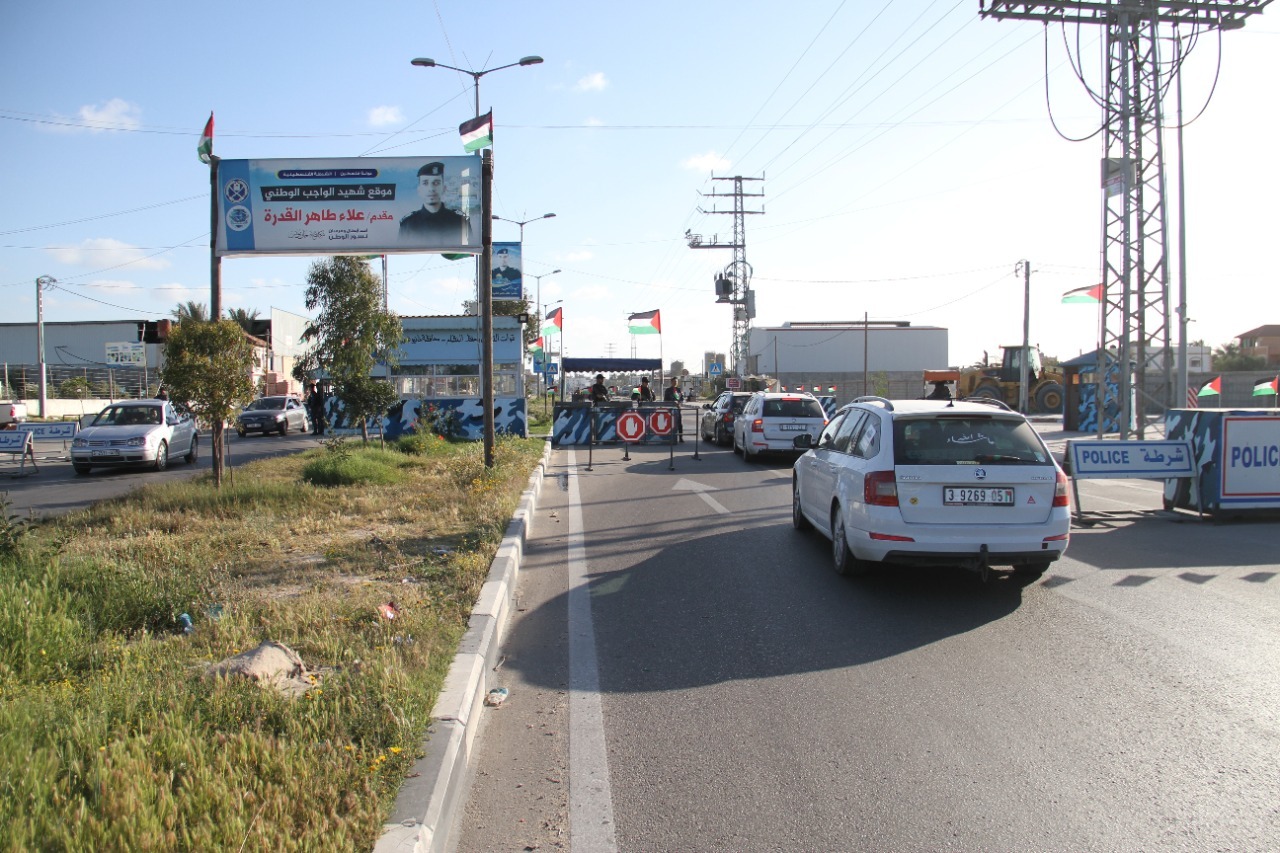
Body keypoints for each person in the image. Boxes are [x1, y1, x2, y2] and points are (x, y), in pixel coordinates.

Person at [399, 162, 470, 242]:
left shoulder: (460, 222)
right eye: (425, 183)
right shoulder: (408, 225)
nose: (431, 188)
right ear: (419, 190)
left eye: (436, 183)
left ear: (444, 188)